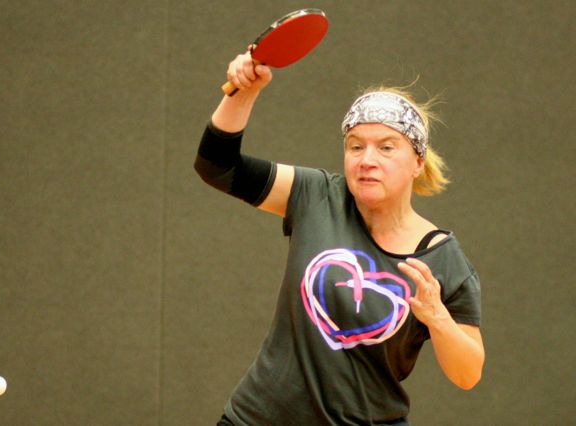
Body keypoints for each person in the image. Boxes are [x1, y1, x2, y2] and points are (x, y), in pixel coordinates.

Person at [195, 50, 484, 426]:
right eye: (355, 145)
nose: (367, 159)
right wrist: (243, 92)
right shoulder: (316, 195)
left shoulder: (441, 258)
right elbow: (216, 166)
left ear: (417, 161)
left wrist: (438, 318)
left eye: (386, 147)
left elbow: (467, 374)